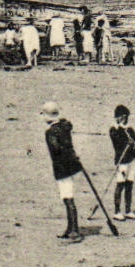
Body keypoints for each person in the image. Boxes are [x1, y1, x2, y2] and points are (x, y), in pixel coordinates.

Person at [42, 101, 86, 241]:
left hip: (62, 168)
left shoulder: (51, 132)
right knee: (67, 197)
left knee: (67, 197)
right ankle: (70, 228)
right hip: (71, 166)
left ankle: (74, 230)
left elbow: (56, 149)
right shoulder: (64, 127)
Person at [109, 104, 135, 220]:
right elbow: (117, 145)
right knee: (120, 184)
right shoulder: (114, 130)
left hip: (132, 160)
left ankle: (128, 210)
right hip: (122, 161)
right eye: (122, 117)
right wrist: (127, 143)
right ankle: (117, 212)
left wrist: (134, 144)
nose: (123, 119)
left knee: (129, 185)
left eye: (124, 117)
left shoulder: (130, 129)